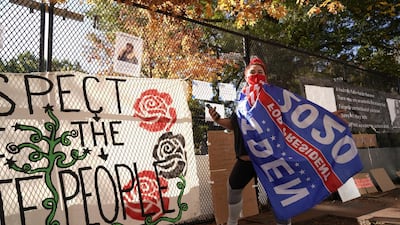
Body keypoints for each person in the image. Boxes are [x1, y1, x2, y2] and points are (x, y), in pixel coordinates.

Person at [208, 57, 347, 225]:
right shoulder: (241, 103)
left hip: (271, 161)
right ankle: (231, 222)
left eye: (260, 72)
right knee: (233, 189)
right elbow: (234, 125)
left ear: (266, 76)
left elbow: (299, 117)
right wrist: (218, 120)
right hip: (246, 160)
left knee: (281, 198)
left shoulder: (275, 98)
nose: (257, 74)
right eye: (253, 72)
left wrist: (329, 117)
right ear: (246, 77)